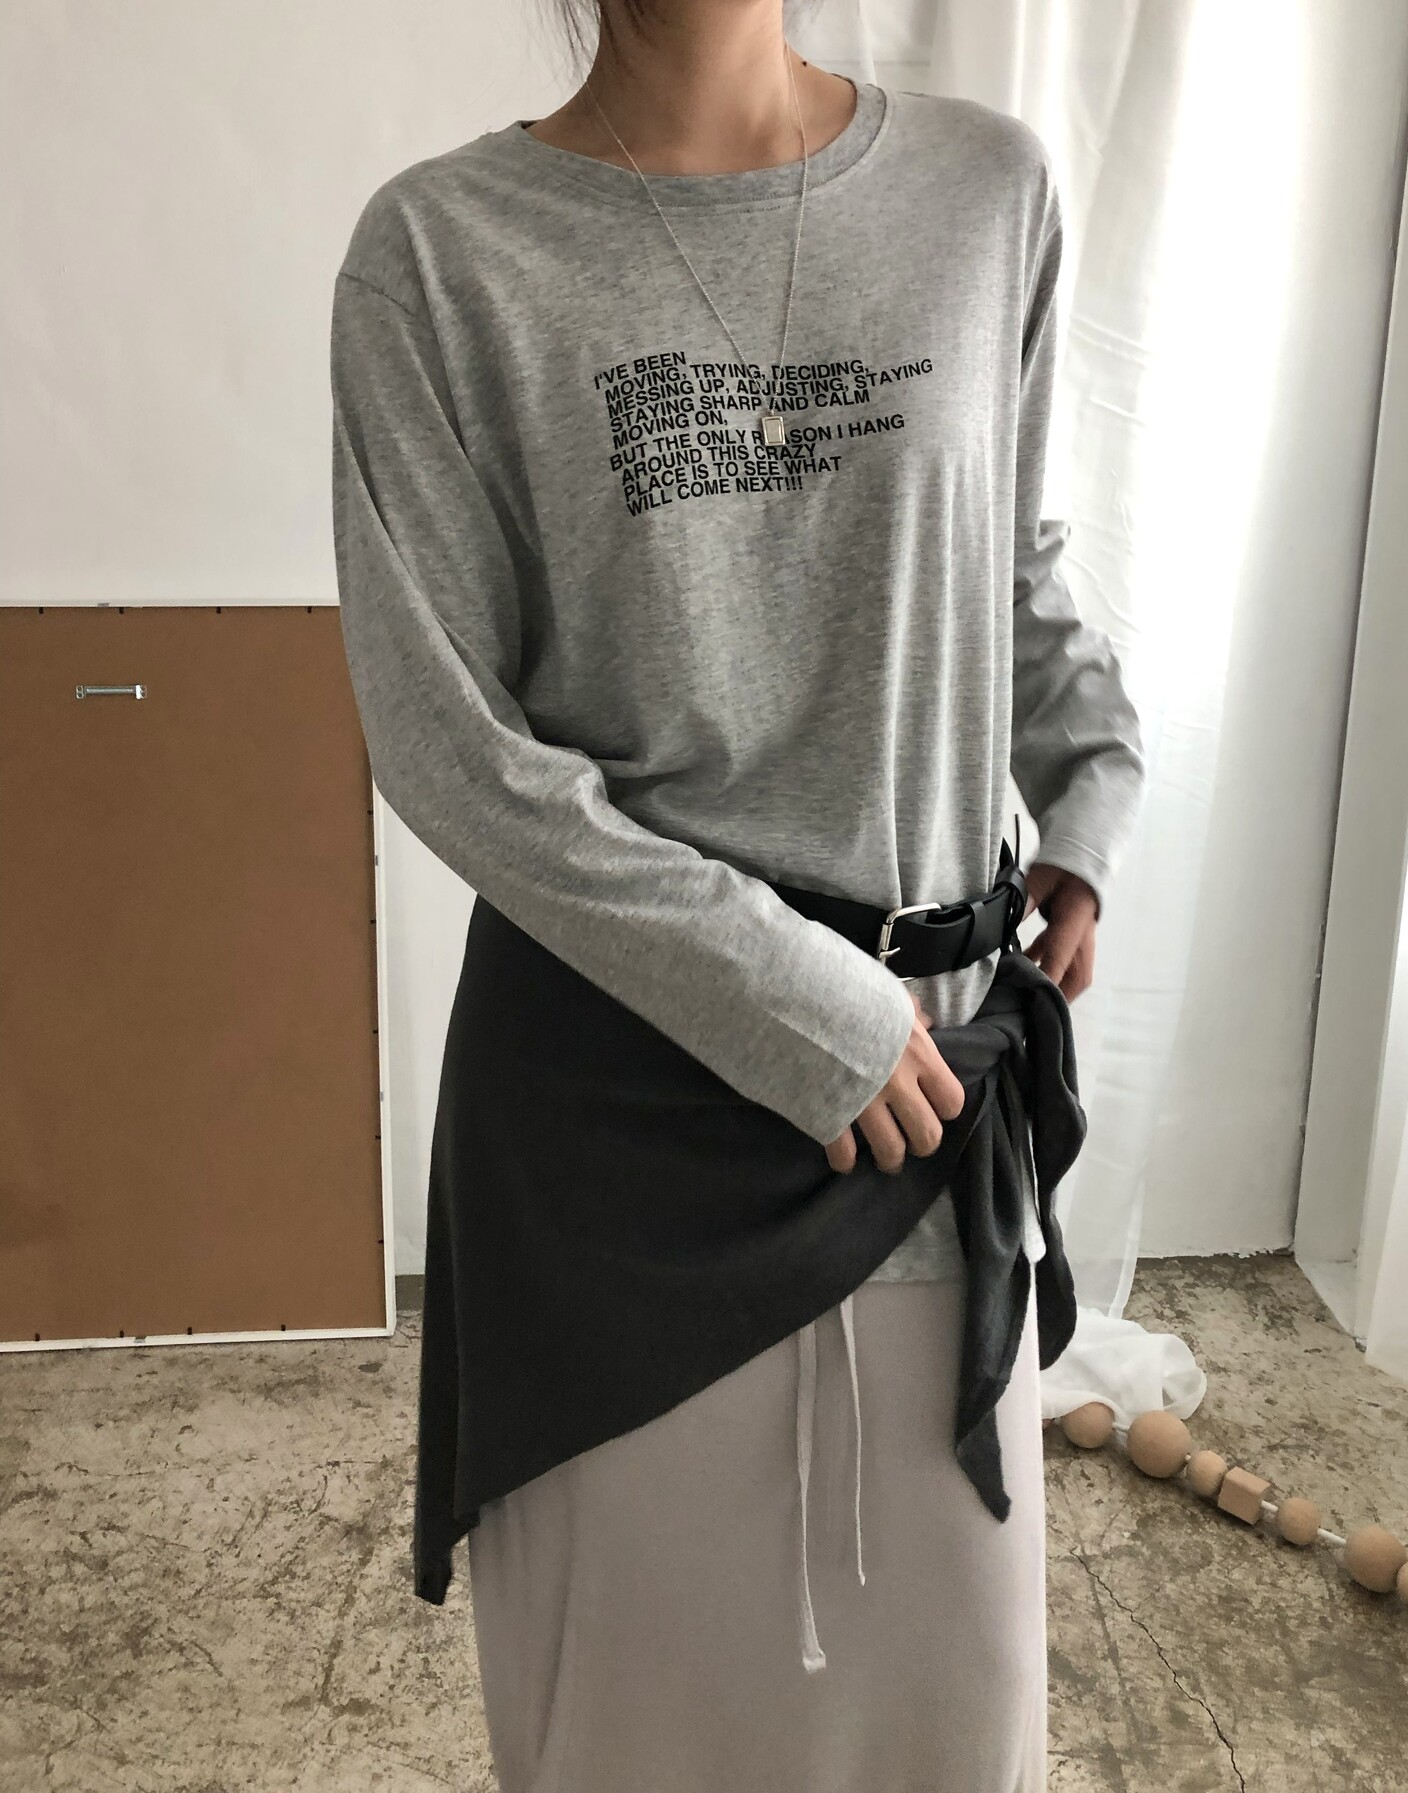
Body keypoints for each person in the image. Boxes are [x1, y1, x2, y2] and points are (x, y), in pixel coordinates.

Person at [329, 3, 1144, 1788]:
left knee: (947, 1726)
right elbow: (448, 743)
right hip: (618, 1130)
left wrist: (1087, 772)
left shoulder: (983, 189)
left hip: (923, 1103)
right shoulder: (443, 258)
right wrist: (788, 1001)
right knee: (634, 1732)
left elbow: (1006, 553)